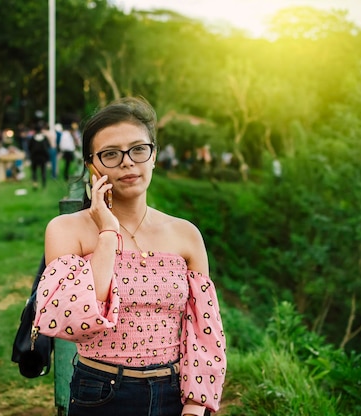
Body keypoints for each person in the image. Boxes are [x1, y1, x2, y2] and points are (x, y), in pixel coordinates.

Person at [33, 97, 226, 416]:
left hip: (173, 393)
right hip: (101, 393)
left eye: (138, 149)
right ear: (91, 165)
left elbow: (203, 331)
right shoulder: (67, 230)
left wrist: (195, 406)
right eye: (111, 154)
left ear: (154, 156)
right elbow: (74, 320)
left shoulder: (186, 234)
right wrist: (108, 233)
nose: (127, 162)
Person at [28, 122, 51, 189]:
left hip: (34, 157)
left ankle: (35, 184)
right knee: (43, 170)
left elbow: (29, 147)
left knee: (34, 171)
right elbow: (48, 147)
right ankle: (44, 184)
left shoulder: (32, 138)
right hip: (42, 157)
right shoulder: (44, 138)